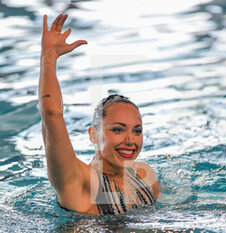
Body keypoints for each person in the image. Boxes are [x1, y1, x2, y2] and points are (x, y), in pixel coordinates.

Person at [39, 13, 161, 215]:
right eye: (118, 129)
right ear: (93, 134)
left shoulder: (144, 176)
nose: (130, 140)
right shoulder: (80, 183)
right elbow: (52, 115)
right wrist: (48, 59)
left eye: (137, 131)